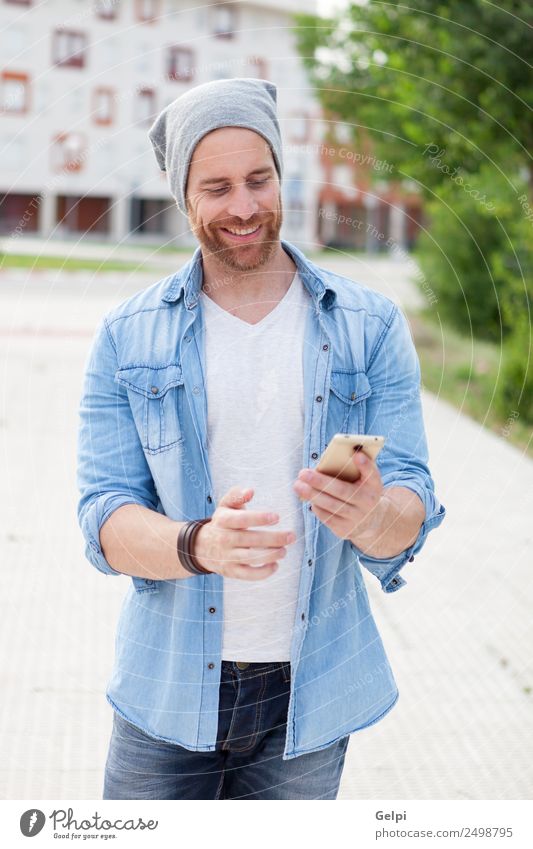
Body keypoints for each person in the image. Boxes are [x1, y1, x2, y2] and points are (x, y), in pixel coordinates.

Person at [76, 77, 445, 801]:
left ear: (281, 175)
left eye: (258, 178)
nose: (243, 207)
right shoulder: (128, 334)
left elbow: (412, 504)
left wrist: (373, 516)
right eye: (216, 187)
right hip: (168, 689)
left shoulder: (368, 326)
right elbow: (102, 517)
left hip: (309, 697)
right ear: (183, 197)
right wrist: (199, 544)